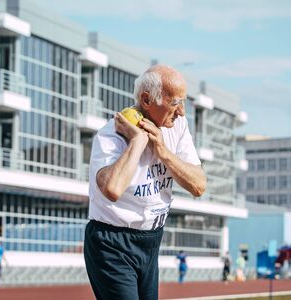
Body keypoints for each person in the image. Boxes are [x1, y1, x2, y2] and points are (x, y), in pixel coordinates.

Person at [84, 64, 206, 300]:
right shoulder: (110, 135)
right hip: (112, 242)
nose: (181, 112)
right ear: (146, 99)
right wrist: (138, 141)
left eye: (183, 103)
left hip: (151, 240)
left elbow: (198, 185)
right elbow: (112, 188)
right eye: (174, 103)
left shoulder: (177, 126)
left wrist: (162, 150)